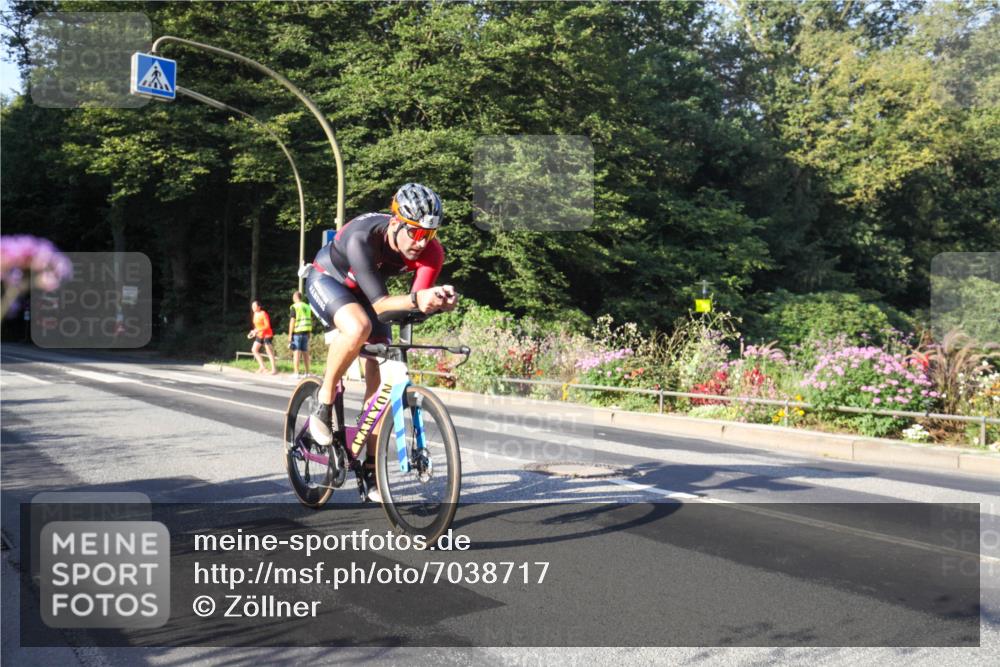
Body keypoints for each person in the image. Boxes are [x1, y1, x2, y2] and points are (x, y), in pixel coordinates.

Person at [305, 183, 458, 502]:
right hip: (328, 280)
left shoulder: (432, 252)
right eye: (415, 232)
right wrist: (419, 298)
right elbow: (381, 303)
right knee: (358, 326)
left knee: (384, 374)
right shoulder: (363, 237)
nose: (421, 243)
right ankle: (324, 400)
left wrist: (436, 303)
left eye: (429, 235)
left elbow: (409, 309)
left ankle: (372, 470)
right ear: (395, 222)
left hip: (370, 293)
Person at [247, 300, 277, 375]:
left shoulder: (263, 313)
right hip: (260, 334)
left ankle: (274, 369)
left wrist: (257, 330)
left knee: (269, 351)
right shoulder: (254, 314)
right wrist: (253, 332)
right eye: (252, 306)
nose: (253, 307)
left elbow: (267, 326)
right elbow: (257, 326)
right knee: (254, 350)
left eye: (254, 306)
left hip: (267, 334)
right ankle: (262, 367)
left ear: (259, 307)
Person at [288, 290, 313, 379]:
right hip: (306, 332)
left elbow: (292, 321)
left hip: (297, 332)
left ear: (295, 297)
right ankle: (307, 372)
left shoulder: (294, 307)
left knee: (296, 353)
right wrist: (309, 332)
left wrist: (290, 335)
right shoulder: (307, 307)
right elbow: (310, 320)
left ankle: (296, 373)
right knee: (305, 353)